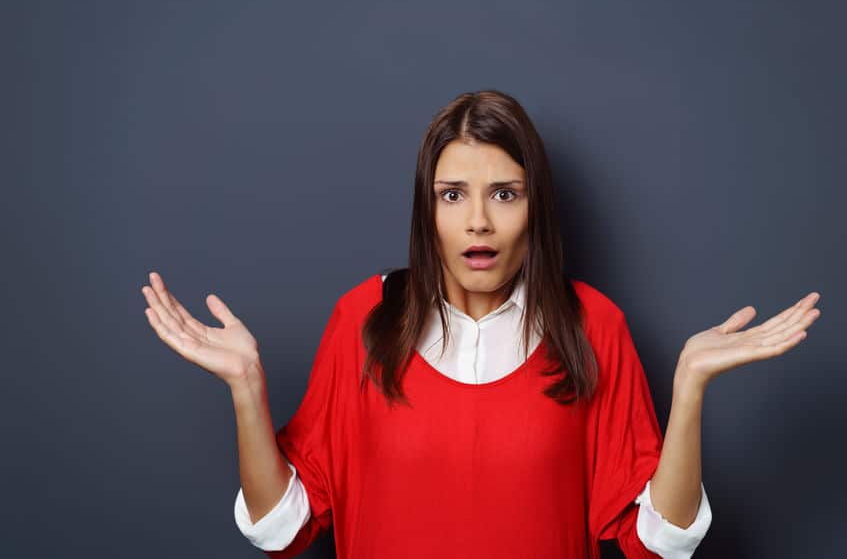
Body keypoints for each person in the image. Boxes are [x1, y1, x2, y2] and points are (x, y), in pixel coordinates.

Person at [142, 90, 821, 558]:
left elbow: (658, 541)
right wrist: (245, 387)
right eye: (451, 194)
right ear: (426, 210)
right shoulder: (364, 319)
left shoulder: (593, 326)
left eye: (503, 193)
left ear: (534, 207)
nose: (477, 222)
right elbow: (282, 531)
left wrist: (691, 385)